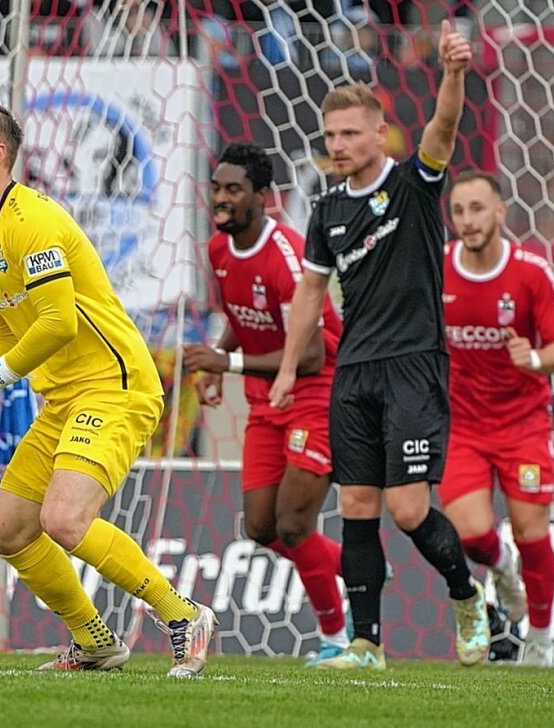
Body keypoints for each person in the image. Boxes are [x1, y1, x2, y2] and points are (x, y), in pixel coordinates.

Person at [0, 102, 216, 677]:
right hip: (64, 397)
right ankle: (95, 641)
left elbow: (58, 322)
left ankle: (182, 614)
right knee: (6, 529)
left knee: (64, 521)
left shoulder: (33, 220)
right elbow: (2, 329)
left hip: (114, 386)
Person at [269, 21, 490, 670]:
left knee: (407, 507)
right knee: (358, 505)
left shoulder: (414, 184)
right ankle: (365, 644)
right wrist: (287, 367)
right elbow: (311, 292)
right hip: (354, 371)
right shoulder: (328, 209)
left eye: (347, 133)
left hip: (414, 366)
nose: (335, 145)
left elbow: (443, 131)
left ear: (376, 131)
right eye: (328, 134)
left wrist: (452, 73)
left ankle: (466, 593)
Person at [183, 141, 347, 665]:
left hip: (315, 391)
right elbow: (240, 311)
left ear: (261, 195)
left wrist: (223, 365)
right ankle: (356, 566)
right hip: (264, 397)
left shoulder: (289, 258)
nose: (222, 200)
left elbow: (313, 356)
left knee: (295, 525)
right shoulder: (219, 249)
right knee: (259, 527)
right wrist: (221, 360)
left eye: (233, 190)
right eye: (216, 190)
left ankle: (337, 638)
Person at [441, 170, 554, 667]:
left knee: (530, 532)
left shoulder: (530, 273)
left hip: (523, 424)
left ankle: (540, 639)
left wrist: (535, 360)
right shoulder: (440, 270)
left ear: (499, 213)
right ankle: (501, 573)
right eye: (458, 211)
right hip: (464, 426)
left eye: (477, 209)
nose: (468, 221)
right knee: (474, 534)